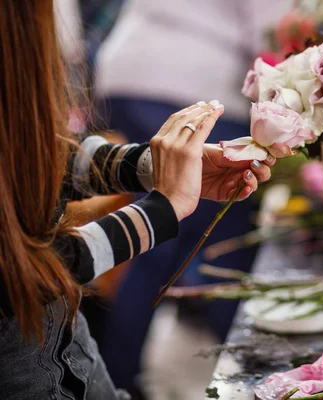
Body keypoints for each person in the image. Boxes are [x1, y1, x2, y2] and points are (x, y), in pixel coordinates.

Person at [0, 2, 273, 399]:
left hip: (73, 357)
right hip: (32, 377)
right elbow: (25, 270)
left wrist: (156, 167)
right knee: (203, 255)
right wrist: (159, 212)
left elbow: (44, 159)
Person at [93, 0, 292, 392]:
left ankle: (113, 374)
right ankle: (252, 376)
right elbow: (274, 37)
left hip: (127, 71)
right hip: (190, 86)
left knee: (155, 240)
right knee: (219, 237)